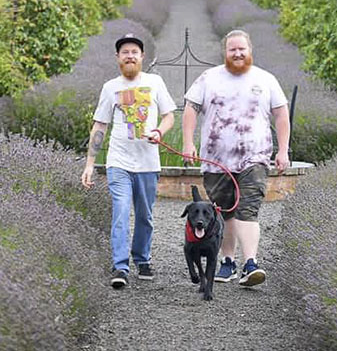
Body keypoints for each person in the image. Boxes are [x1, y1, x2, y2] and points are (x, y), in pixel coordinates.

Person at [181, 29, 290, 287]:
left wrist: (283, 150)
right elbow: (190, 108)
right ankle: (228, 262)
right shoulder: (209, 78)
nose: (238, 53)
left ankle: (250, 264)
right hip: (216, 161)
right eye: (232, 49)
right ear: (225, 52)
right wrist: (188, 142)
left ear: (250, 50)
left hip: (255, 157)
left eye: (242, 48)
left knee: (247, 210)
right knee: (224, 213)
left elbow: (281, 114)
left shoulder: (266, 79)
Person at [81, 33, 177, 289]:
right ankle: (120, 266)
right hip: (118, 162)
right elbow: (100, 126)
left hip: (147, 164)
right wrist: (90, 163)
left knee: (145, 216)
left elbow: (169, 116)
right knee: (121, 213)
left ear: (142, 56)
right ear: (118, 58)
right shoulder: (110, 87)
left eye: (135, 51)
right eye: (125, 52)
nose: (130, 56)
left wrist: (158, 131)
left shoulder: (155, 82)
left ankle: (142, 258)